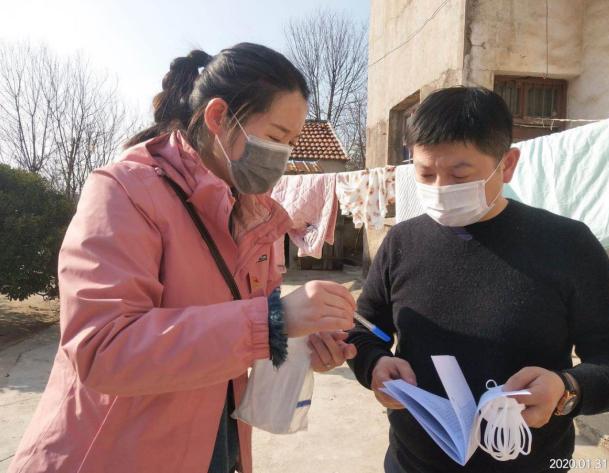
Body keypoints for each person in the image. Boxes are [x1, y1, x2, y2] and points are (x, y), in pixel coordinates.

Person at [8, 43, 357, 473]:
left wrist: (301, 340)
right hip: (114, 454)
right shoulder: (125, 191)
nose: (283, 157)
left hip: (216, 447)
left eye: (290, 143)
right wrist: (274, 322)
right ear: (217, 118)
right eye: (274, 137)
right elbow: (102, 348)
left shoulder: (257, 215)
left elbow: (245, 336)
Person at [334, 86, 609, 472]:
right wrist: (375, 364)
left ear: (508, 164)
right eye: (426, 173)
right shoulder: (402, 241)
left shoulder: (567, 244)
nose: (440, 190)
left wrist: (567, 389)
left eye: (460, 174)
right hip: (412, 462)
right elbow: (365, 329)